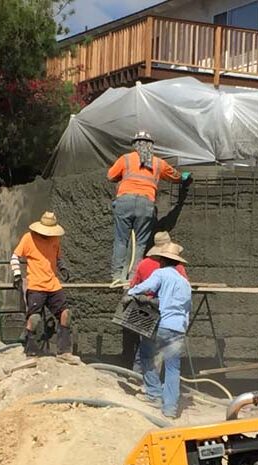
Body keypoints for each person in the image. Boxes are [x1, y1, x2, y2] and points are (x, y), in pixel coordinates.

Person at [106, 131, 191, 286]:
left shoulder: (125, 159)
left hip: (125, 201)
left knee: (121, 240)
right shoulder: (158, 163)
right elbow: (176, 177)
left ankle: (117, 275)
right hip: (146, 204)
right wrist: (184, 178)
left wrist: (123, 176)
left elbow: (110, 176)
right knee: (140, 243)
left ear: (135, 145)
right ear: (151, 146)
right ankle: (133, 277)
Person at [127, 243, 191, 420]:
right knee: (173, 368)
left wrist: (130, 292)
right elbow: (187, 310)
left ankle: (154, 394)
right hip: (178, 328)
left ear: (162, 260)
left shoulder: (160, 274)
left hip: (161, 324)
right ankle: (170, 409)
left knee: (146, 355)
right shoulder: (184, 282)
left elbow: (144, 287)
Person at [11, 211, 73, 357]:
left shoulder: (55, 239)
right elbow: (15, 256)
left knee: (65, 314)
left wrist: (62, 268)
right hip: (36, 285)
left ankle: (64, 350)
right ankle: (31, 348)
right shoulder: (28, 238)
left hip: (53, 284)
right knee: (35, 318)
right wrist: (17, 274)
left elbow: (57, 258)